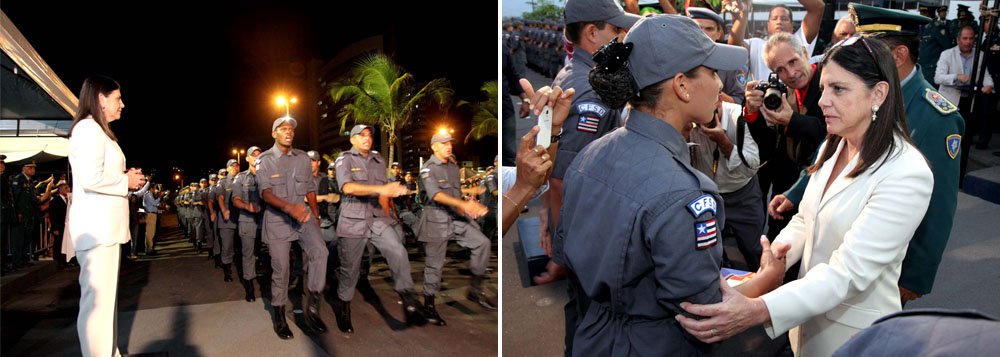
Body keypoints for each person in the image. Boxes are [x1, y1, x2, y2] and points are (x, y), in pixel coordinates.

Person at [676, 34, 935, 356]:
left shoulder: (907, 171)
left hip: (855, 338)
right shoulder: (835, 143)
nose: (824, 100)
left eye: (839, 89)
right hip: (807, 325)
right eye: (824, 87)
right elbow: (805, 217)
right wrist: (777, 258)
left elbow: (849, 273)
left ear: (879, 93)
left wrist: (758, 308)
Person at [557, 15, 788, 356]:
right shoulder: (684, 192)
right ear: (681, 85)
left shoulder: (591, 154)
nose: (719, 85)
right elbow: (704, 311)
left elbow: (568, 257)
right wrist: (768, 278)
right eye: (711, 72)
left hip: (594, 337)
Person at [769, 3, 965, 306]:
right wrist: (797, 193)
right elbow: (830, 152)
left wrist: (915, 276)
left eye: (871, 48)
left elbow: (939, 206)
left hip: (882, 261)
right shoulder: (851, 95)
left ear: (898, 56)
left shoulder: (936, 116)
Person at [541, 2, 640, 353]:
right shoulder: (588, 90)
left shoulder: (577, 75)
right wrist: (563, 246)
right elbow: (561, 179)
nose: (623, 38)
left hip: (583, 225)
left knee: (584, 315)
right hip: (589, 231)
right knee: (592, 322)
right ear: (593, 33)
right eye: (616, 32)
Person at [67, 75, 147, 356]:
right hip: (97, 230)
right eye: (117, 99)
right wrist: (125, 181)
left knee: (105, 305)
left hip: (105, 230)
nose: (122, 105)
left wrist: (128, 180)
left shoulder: (98, 131)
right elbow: (90, 178)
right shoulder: (88, 129)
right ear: (100, 99)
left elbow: (101, 177)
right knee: (97, 307)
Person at [333, 124, 426, 333]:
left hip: (376, 217)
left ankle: (408, 298)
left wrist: (390, 213)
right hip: (352, 219)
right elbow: (347, 187)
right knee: (350, 270)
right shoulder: (344, 159)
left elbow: (384, 192)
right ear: (352, 140)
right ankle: (344, 307)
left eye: (369, 135)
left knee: (398, 250)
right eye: (361, 135)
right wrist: (381, 189)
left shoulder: (378, 160)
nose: (367, 138)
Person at [746, 31, 828, 240]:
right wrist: (752, 112)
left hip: (821, 188)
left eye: (793, 61)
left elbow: (829, 133)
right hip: (785, 191)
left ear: (804, 53)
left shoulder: (829, 82)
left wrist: (791, 120)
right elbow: (770, 147)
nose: (790, 73)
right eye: (780, 69)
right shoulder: (781, 94)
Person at [256, 116, 329, 339]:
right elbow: (266, 193)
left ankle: (313, 306)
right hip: (279, 220)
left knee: (320, 252)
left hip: (302, 217)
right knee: (282, 269)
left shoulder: (302, 159)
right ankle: (279, 315)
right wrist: (289, 208)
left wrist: (315, 215)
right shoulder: (265, 160)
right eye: (283, 129)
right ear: (274, 133)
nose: (289, 132)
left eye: (291, 129)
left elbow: (309, 190)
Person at [417, 130, 495, 325]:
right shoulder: (427, 169)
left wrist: (469, 205)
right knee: (435, 265)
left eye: (450, 143)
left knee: (483, 243)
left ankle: (474, 290)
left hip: (455, 217)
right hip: (435, 218)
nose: (448, 146)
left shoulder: (453, 167)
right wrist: (463, 205)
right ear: (434, 147)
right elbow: (436, 195)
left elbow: (455, 193)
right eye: (444, 143)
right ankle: (429, 304)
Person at [688, 99, 764, 271]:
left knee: (753, 248)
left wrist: (724, 141)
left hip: (742, 195)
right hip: (708, 196)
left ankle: (764, 288)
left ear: (719, 101)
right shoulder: (688, 120)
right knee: (710, 250)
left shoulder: (737, 117)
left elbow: (752, 167)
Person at [935, 25, 994, 182]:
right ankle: (943, 171)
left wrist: (989, 85)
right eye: (965, 38)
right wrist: (956, 77)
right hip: (951, 101)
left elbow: (985, 74)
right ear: (958, 39)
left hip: (970, 101)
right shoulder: (947, 54)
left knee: (965, 138)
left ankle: (959, 175)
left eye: (971, 39)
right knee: (948, 137)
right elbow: (938, 77)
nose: (968, 42)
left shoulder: (979, 55)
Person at [729, 0, 825, 82]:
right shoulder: (756, 44)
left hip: (799, 102)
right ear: (768, 25)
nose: (779, 22)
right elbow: (734, 47)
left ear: (792, 26)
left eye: (784, 18)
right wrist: (743, 13)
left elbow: (818, 8)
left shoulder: (800, 40)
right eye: (774, 18)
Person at [687, 7, 749, 104]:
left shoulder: (730, 63)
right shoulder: (678, 58)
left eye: (709, 29)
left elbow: (739, 102)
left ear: (719, 34)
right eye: (698, 28)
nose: (703, 33)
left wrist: (713, 90)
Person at [232, 145, 263, 302]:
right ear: (248, 158)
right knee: (248, 254)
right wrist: (246, 206)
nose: (257, 157)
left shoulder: (268, 175)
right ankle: (249, 285)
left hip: (267, 220)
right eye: (254, 155)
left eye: (259, 154)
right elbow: (235, 199)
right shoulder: (241, 178)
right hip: (248, 221)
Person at [215, 159, 240, 282]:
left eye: (237, 165)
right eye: (232, 166)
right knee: (227, 246)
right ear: (228, 168)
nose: (235, 168)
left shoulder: (243, 179)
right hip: (227, 220)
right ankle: (227, 270)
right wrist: (224, 210)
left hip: (241, 218)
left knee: (241, 246)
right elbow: (220, 197)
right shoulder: (223, 181)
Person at [49, 180, 70, 268]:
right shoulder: (55, 201)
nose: (67, 190)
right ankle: (57, 261)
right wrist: (54, 228)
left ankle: (65, 261)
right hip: (59, 226)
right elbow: (53, 215)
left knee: (66, 244)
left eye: (68, 188)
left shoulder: (69, 200)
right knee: (58, 244)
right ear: (60, 190)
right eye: (65, 188)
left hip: (66, 226)